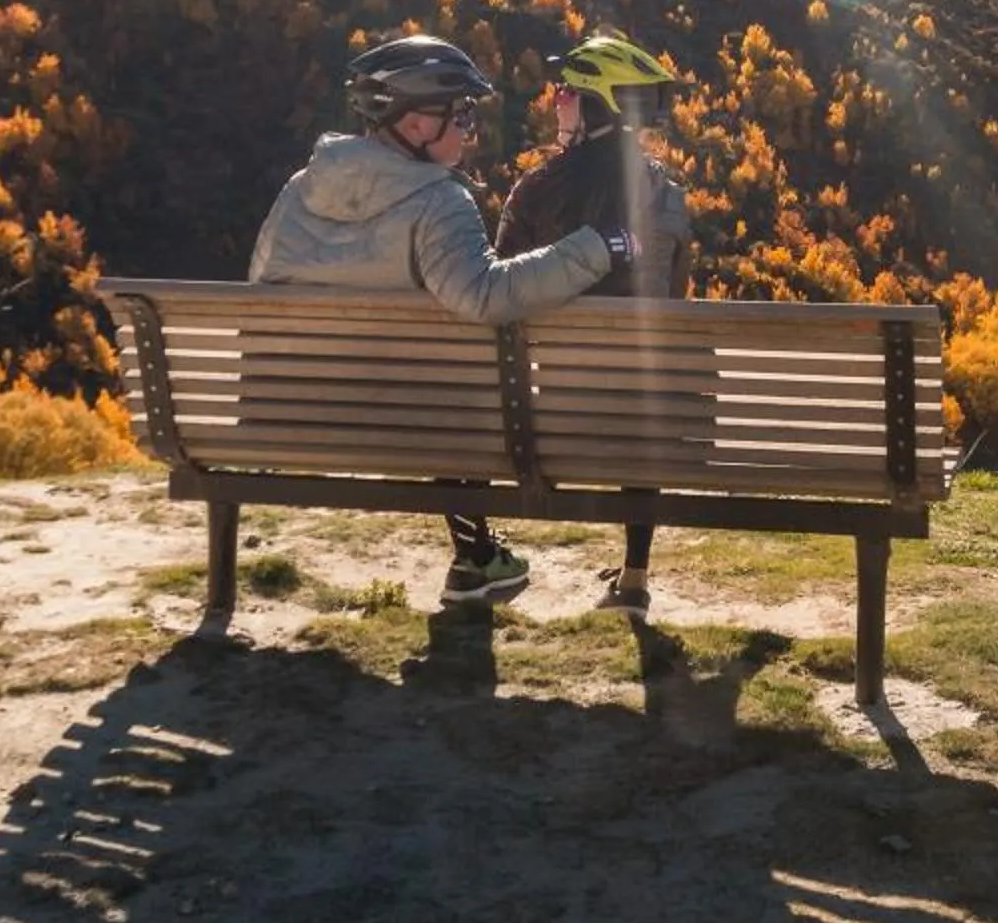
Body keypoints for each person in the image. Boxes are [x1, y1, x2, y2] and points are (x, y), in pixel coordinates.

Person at [250, 34, 634, 603]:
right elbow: (485, 295)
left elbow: (263, 281)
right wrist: (600, 246)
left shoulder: (301, 189)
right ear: (414, 123)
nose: (469, 130)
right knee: (454, 382)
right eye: (460, 116)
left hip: (281, 413)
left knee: (434, 372)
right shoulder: (439, 201)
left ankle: (476, 557)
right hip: (412, 424)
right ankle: (476, 559)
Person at [494, 33, 695, 612]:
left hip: (545, 411)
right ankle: (634, 576)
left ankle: (473, 554)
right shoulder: (666, 197)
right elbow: (674, 296)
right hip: (643, 419)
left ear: (592, 105)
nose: (555, 102)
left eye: (564, 93)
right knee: (646, 385)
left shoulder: (534, 191)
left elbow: (499, 288)